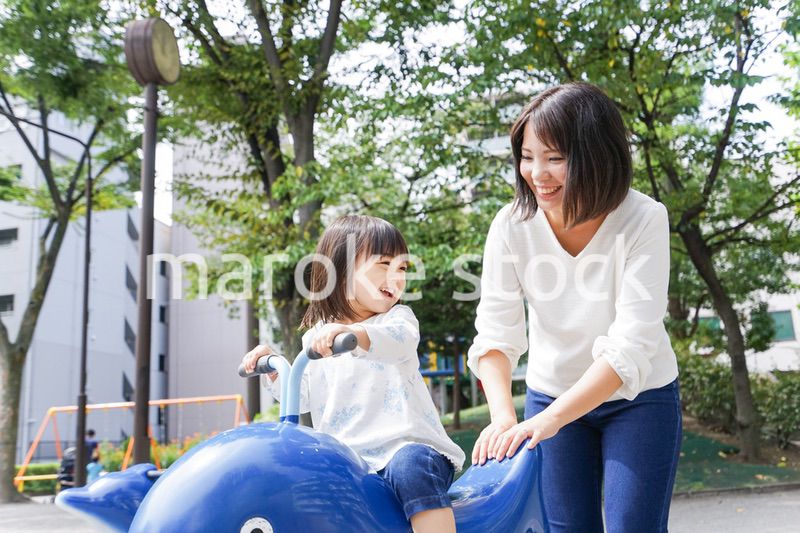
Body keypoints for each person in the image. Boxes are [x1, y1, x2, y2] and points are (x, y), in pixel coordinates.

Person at [467, 82, 681, 533]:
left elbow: (632, 344)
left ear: (595, 155)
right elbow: (496, 332)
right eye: (527, 156)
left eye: (555, 158)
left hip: (637, 398)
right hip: (550, 392)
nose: (537, 173)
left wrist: (548, 420)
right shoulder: (511, 226)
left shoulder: (643, 219)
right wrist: (505, 417)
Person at [241, 215, 465, 533]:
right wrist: (275, 370)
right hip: (348, 458)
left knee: (411, 468)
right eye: (383, 264)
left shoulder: (397, 320)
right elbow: (302, 396)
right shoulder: (316, 337)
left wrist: (355, 335)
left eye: (402, 268)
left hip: (404, 449)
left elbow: (399, 344)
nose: (396, 277)